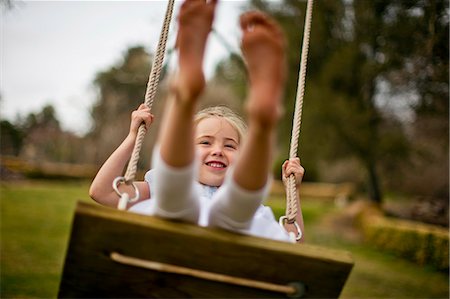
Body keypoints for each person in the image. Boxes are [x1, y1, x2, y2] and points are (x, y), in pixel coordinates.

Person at [89, 0, 305, 242]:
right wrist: (132, 137)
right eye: (205, 142)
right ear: (185, 150)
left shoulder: (256, 211)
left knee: (189, 203)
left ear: (244, 160)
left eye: (230, 145)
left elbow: (294, 243)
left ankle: (199, 101)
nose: (218, 151)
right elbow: (101, 192)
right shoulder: (155, 190)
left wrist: (292, 190)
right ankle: (196, 99)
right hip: (221, 223)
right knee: (191, 200)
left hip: (206, 226)